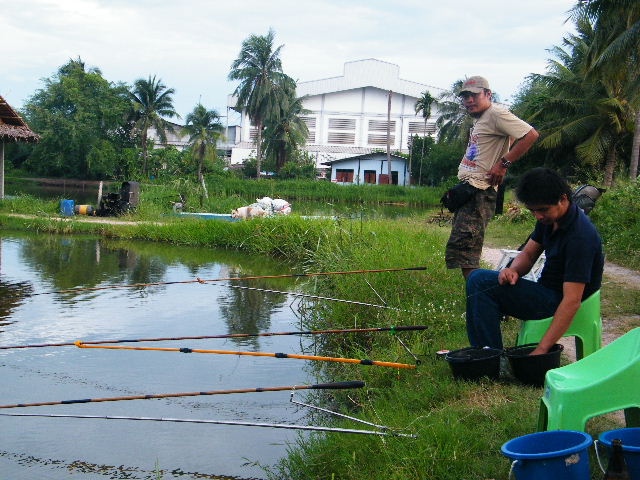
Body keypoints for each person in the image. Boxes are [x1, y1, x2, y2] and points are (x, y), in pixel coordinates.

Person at [465, 168, 604, 355]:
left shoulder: (580, 237)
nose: (538, 216)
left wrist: (542, 349)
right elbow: (529, 255)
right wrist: (513, 270)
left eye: (543, 210)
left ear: (563, 199)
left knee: (480, 280)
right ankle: (486, 352)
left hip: (558, 301)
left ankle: (489, 357)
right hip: (546, 291)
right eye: (533, 210)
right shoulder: (549, 220)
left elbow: (572, 301)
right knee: (479, 279)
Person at [446, 76, 539, 279]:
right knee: (463, 251)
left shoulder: (496, 113)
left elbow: (530, 135)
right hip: (470, 189)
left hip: (479, 190)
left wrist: (503, 164)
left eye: (474, 95)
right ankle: (480, 299)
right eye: (465, 97)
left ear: (488, 94)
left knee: (467, 251)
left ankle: (483, 299)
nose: (468, 100)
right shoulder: (484, 118)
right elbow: (512, 136)